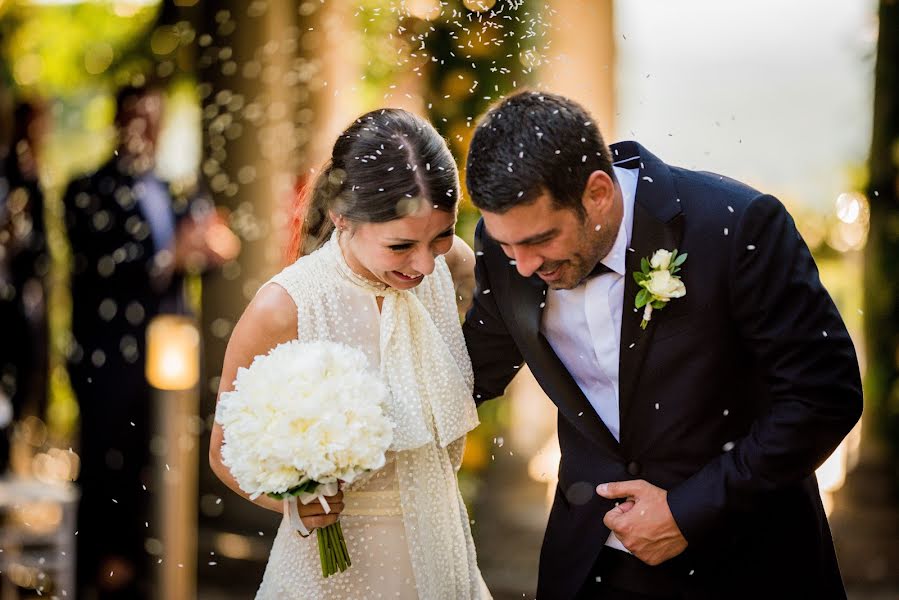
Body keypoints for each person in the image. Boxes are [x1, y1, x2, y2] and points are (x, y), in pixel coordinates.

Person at [462, 90, 862, 599]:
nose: (523, 265)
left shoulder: (737, 224)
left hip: (745, 560)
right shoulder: (510, 253)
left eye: (541, 240)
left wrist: (687, 511)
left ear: (598, 193)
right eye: (505, 245)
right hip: (591, 568)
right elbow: (468, 374)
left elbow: (823, 396)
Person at [209, 108, 491, 599]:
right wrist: (293, 503)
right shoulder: (287, 307)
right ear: (342, 215)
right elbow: (223, 451)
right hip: (335, 578)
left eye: (440, 236)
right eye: (401, 245)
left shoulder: (453, 267)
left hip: (442, 560)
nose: (424, 264)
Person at [63, 83, 238, 599]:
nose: (147, 130)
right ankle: (100, 575)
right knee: (105, 467)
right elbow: (99, 269)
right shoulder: (86, 189)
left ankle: (148, 572)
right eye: (137, 118)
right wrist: (169, 260)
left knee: (156, 468)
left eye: (155, 120)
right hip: (108, 359)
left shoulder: (175, 188)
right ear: (118, 122)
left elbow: (206, 248)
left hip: (169, 360)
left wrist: (212, 247)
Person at [0, 100, 50, 472]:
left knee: (24, 392)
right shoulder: (11, 177)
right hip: (8, 313)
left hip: (25, 311)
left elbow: (42, 251)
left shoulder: (32, 181)